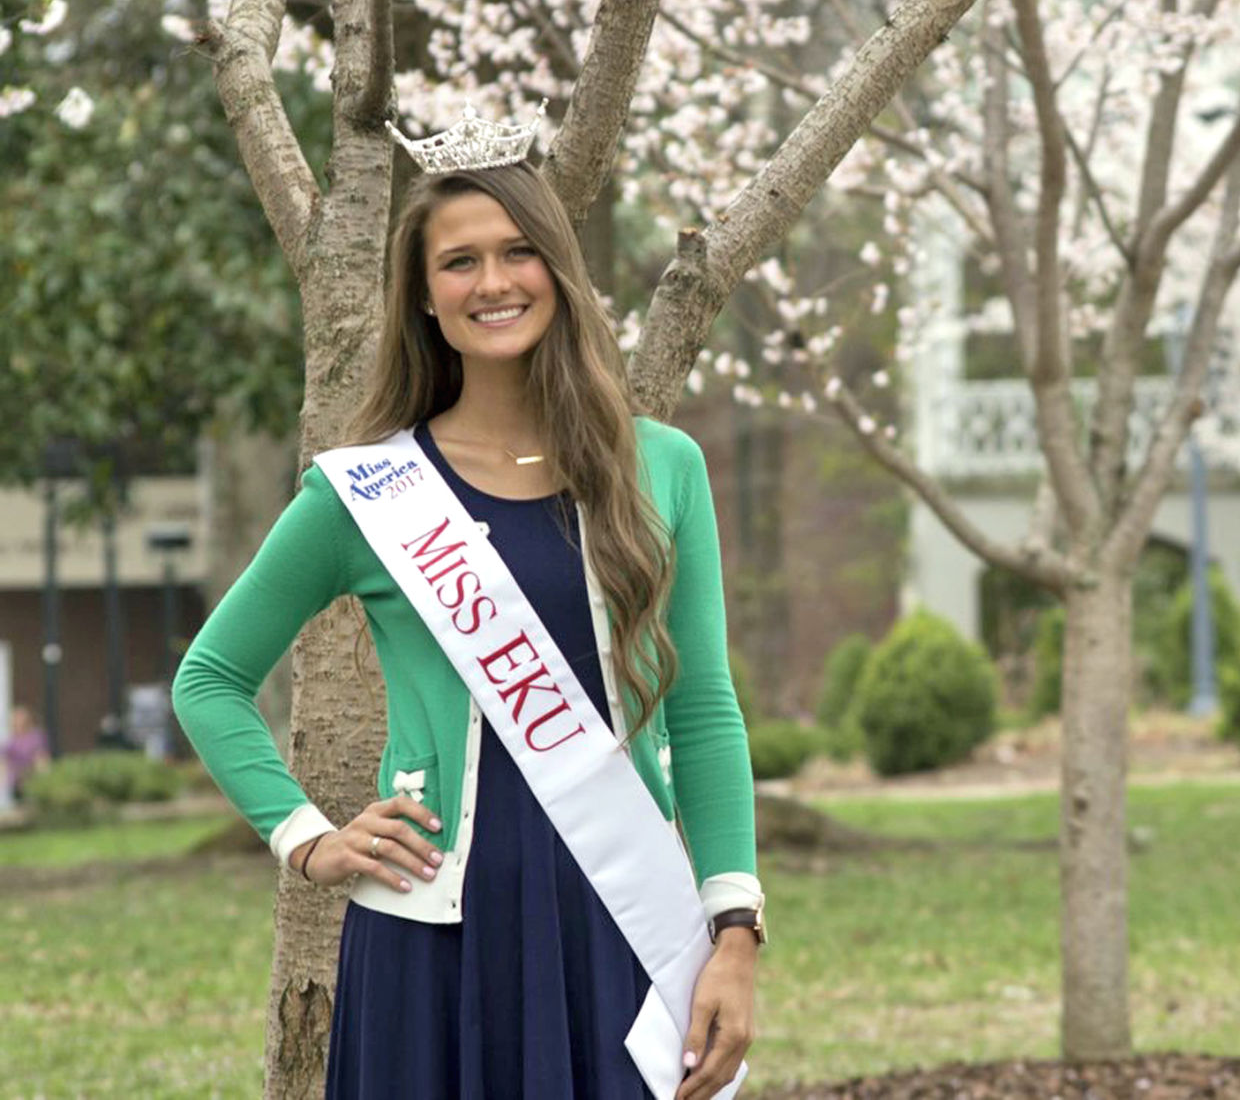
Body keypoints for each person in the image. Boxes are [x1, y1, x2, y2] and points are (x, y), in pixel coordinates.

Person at [173, 113, 763, 1100]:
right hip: (428, 937)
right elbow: (211, 679)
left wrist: (734, 928)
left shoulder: (663, 467)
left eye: (518, 252)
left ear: (559, 273)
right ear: (425, 301)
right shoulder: (362, 495)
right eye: (459, 263)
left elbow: (702, 706)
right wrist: (307, 839)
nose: (492, 282)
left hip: (622, 925)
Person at [3, 704, 49, 796]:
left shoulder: (36, 737)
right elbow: (4, 763)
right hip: (15, 783)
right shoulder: (10, 741)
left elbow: (41, 759)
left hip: (32, 780)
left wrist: (45, 779)